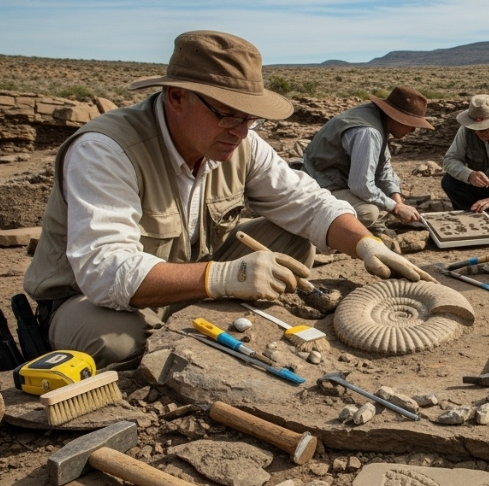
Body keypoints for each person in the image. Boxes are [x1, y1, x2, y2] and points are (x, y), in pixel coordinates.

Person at [23, 30, 431, 368]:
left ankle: (196, 319)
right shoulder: (107, 149)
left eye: (250, 117)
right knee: (116, 341)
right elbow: (104, 270)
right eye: (227, 113)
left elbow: (307, 203)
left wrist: (365, 243)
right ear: (177, 97)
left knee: (291, 238)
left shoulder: (240, 141)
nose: (241, 130)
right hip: (91, 299)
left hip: (187, 280)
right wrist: (222, 277)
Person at [302, 86, 434, 230]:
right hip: (318, 184)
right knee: (369, 212)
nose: (413, 130)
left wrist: (397, 201)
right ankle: (320, 233)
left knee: (384, 199)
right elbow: (361, 185)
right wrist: (395, 208)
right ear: (397, 118)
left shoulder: (376, 118)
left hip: (333, 178)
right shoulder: (368, 132)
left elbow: (384, 167)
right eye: (411, 124)